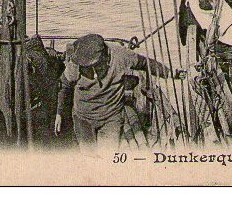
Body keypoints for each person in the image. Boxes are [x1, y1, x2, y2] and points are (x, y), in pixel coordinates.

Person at [54, 33, 185, 153]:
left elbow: (145, 63)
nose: (94, 74)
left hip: (111, 118)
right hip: (83, 118)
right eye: (88, 69)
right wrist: (59, 113)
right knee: (88, 156)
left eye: (98, 67)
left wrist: (170, 73)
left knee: (108, 157)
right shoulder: (77, 63)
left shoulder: (121, 56)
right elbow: (64, 85)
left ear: (106, 57)